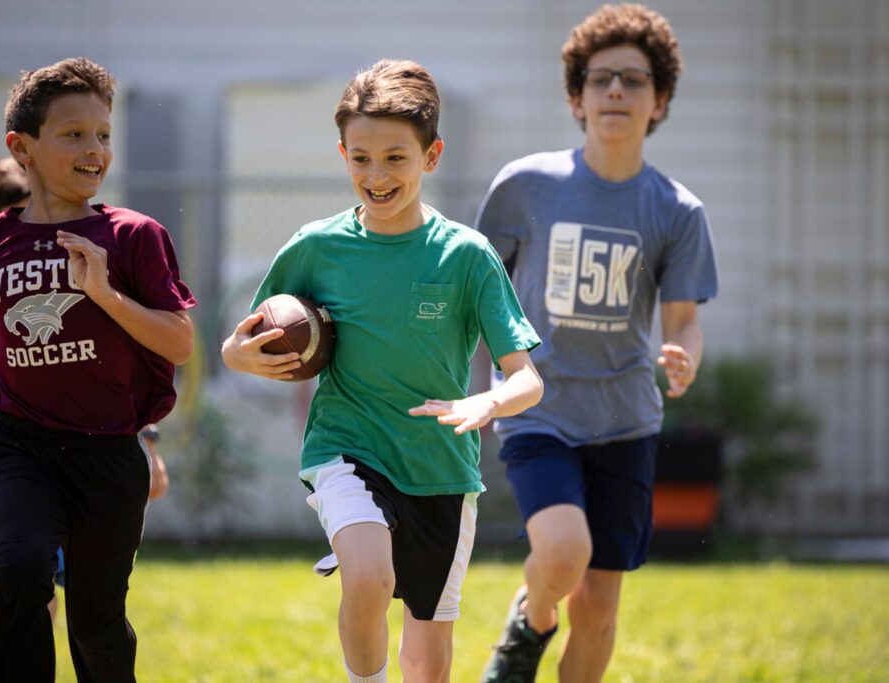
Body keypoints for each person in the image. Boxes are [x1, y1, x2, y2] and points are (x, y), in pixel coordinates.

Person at [221, 59, 543, 683]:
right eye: (361, 157)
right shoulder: (315, 248)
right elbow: (242, 345)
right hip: (347, 446)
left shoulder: (467, 256)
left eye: (396, 158)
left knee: (428, 664)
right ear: (342, 153)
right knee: (367, 576)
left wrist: (488, 403)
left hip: (440, 468)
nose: (376, 175)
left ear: (432, 155)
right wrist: (239, 356)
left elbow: (527, 378)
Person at [0, 57, 196, 683]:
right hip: (20, 444)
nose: (95, 149)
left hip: (110, 452)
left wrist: (105, 294)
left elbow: (180, 342)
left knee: (94, 620)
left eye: (104, 134)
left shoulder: (133, 236)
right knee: (21, 571)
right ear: (20, 148)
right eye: (74, 134)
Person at [476, 5, 719, 682]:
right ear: (576, 96)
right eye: (600, 77)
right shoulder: (525, 187)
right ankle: (533, 618)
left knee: (601, 608)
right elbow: (478, 291)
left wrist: (685, 355)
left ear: (660, 99)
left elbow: (682, 322)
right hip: (538, 407)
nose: (616, 90)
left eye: (633, 80)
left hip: (625, 422)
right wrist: (478, 383)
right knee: (561, 553)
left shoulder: (677, 210)